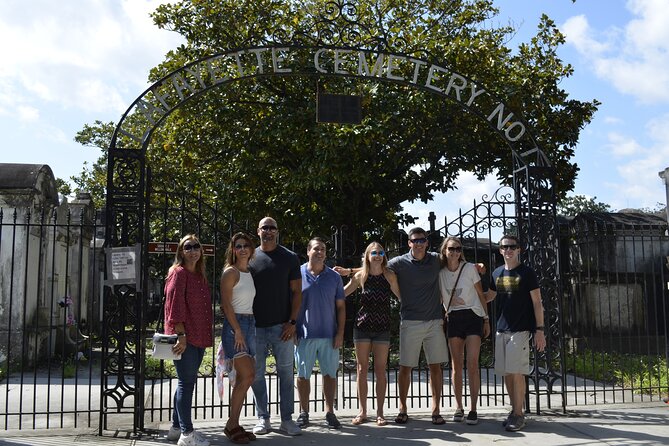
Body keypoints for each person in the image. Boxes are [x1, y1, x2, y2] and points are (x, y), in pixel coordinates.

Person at [387, 227, 449, 425]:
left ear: (427, 243)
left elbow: (456, 260)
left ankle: (436, 410)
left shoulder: (435, 259)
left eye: (422, 240)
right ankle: (402, 408)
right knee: (405, 367)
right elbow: (375, 266)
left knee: (435, 367)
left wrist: (477, 266)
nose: (419, 243)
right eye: (415, 240)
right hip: (410, 321)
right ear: (409, 243)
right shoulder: (400, 262)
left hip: (434, 321)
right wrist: (349, 271)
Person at [486, 234, 546, 432]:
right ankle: (514, 410)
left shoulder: (527, 273)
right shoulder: (496, 273)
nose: (509, 250)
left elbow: (537, 302)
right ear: (500, 250)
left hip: (520, 330)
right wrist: (469, 287)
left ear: (519, 249)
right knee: (506, 373)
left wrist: (540, 330)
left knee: (517, 372)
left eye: (512, 246)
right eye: (505, 247)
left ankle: (519, 414)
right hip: (501, 329)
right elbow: (489, 296)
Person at [248, 217, 303, 436]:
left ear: (277, 232)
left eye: (272, 228)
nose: (268, 231)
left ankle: (287, 420)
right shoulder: (250, 256)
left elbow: (297, 292)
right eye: (265, 228)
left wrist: (292, 322)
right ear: (258, 231)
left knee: (286, 374)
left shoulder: (289, 258)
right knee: (257, 374)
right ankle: (263, 418)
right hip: (255, 328)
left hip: (283, 327)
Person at [343, 242, 400, 427]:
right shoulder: (362, 275)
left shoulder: (389, 275)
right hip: (362, 327)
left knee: (380, 370)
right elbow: (342, 293)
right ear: (367, 256)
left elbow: (402, 297)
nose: (377, 255)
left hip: (382, 327)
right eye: (373, 252)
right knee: (361, 369)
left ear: (384, 255)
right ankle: (363, 411)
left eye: (380, 252)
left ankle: (381, 413)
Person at [164, 234, 213, 446]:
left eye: (196, 247)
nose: (192, 250)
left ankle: (176, 428)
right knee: (186, 383)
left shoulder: (199, 275)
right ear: (181, 252)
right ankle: (187, 434)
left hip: (199, 335)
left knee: (185, 382)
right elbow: (174, 307)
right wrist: (181, 335)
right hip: (185, 337)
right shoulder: (179, 273)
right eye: (187, 247)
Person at [294, 238, 346, 429]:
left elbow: (341, 307)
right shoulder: (297, 274)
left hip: (329, 335)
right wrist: (292, 327)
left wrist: (340, 332)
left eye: (323, 249)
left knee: (330, 375)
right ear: (308, 251)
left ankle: (330, 412)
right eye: (316, 249)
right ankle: (303, 412)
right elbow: (289, 303)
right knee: (302, 376)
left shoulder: (334, 277)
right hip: (303, 335)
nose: (320, 252)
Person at [438, 237, 491, 426]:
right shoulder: (440, 272)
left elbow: (480, 293)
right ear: (444, 250)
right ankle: (459, 407)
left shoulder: (469, 268)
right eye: (451, 249)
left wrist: (486, 319)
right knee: (456, 365)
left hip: (473, 316)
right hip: (453, 318)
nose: (455, 252)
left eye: (458, 249)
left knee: (473, 364)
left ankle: (473, 409)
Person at [220, 233, 257, 444]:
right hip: (236, 327)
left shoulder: (249, 272)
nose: (242, 249)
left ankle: (234, 423)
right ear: (233, 250)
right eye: (238, 246)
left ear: (251, 249)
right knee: (248, 375)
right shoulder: (230, 272)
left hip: (250, 324)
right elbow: (226, 305)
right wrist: (238, 330)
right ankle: (231, 424)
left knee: (245, 379)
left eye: (246, 246)